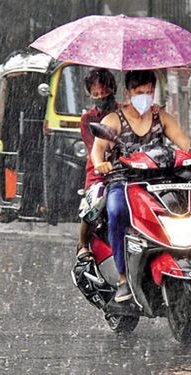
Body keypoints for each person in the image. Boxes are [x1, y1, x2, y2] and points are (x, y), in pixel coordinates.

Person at [91, 70, 191, 302]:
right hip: (125, 182)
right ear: (128, 93)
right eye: (140, 92)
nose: (145, 97)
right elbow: (98, 149)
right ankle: (123, 277)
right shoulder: (113, 120)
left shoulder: (161, 117)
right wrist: (101, 163)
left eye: (149, 92)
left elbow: (184, 142)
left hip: (161, 182)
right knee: (116, 212)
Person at [76, 68, 119, 263]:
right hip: (98, 169)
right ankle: (83, 243)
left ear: (113, 90)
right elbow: (92, 147)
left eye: (104, 92)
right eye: (95, 94)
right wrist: (102, 161)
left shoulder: (125, 111)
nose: (100, 97)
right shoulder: (87, 119)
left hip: (126, 166)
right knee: (96, 200)